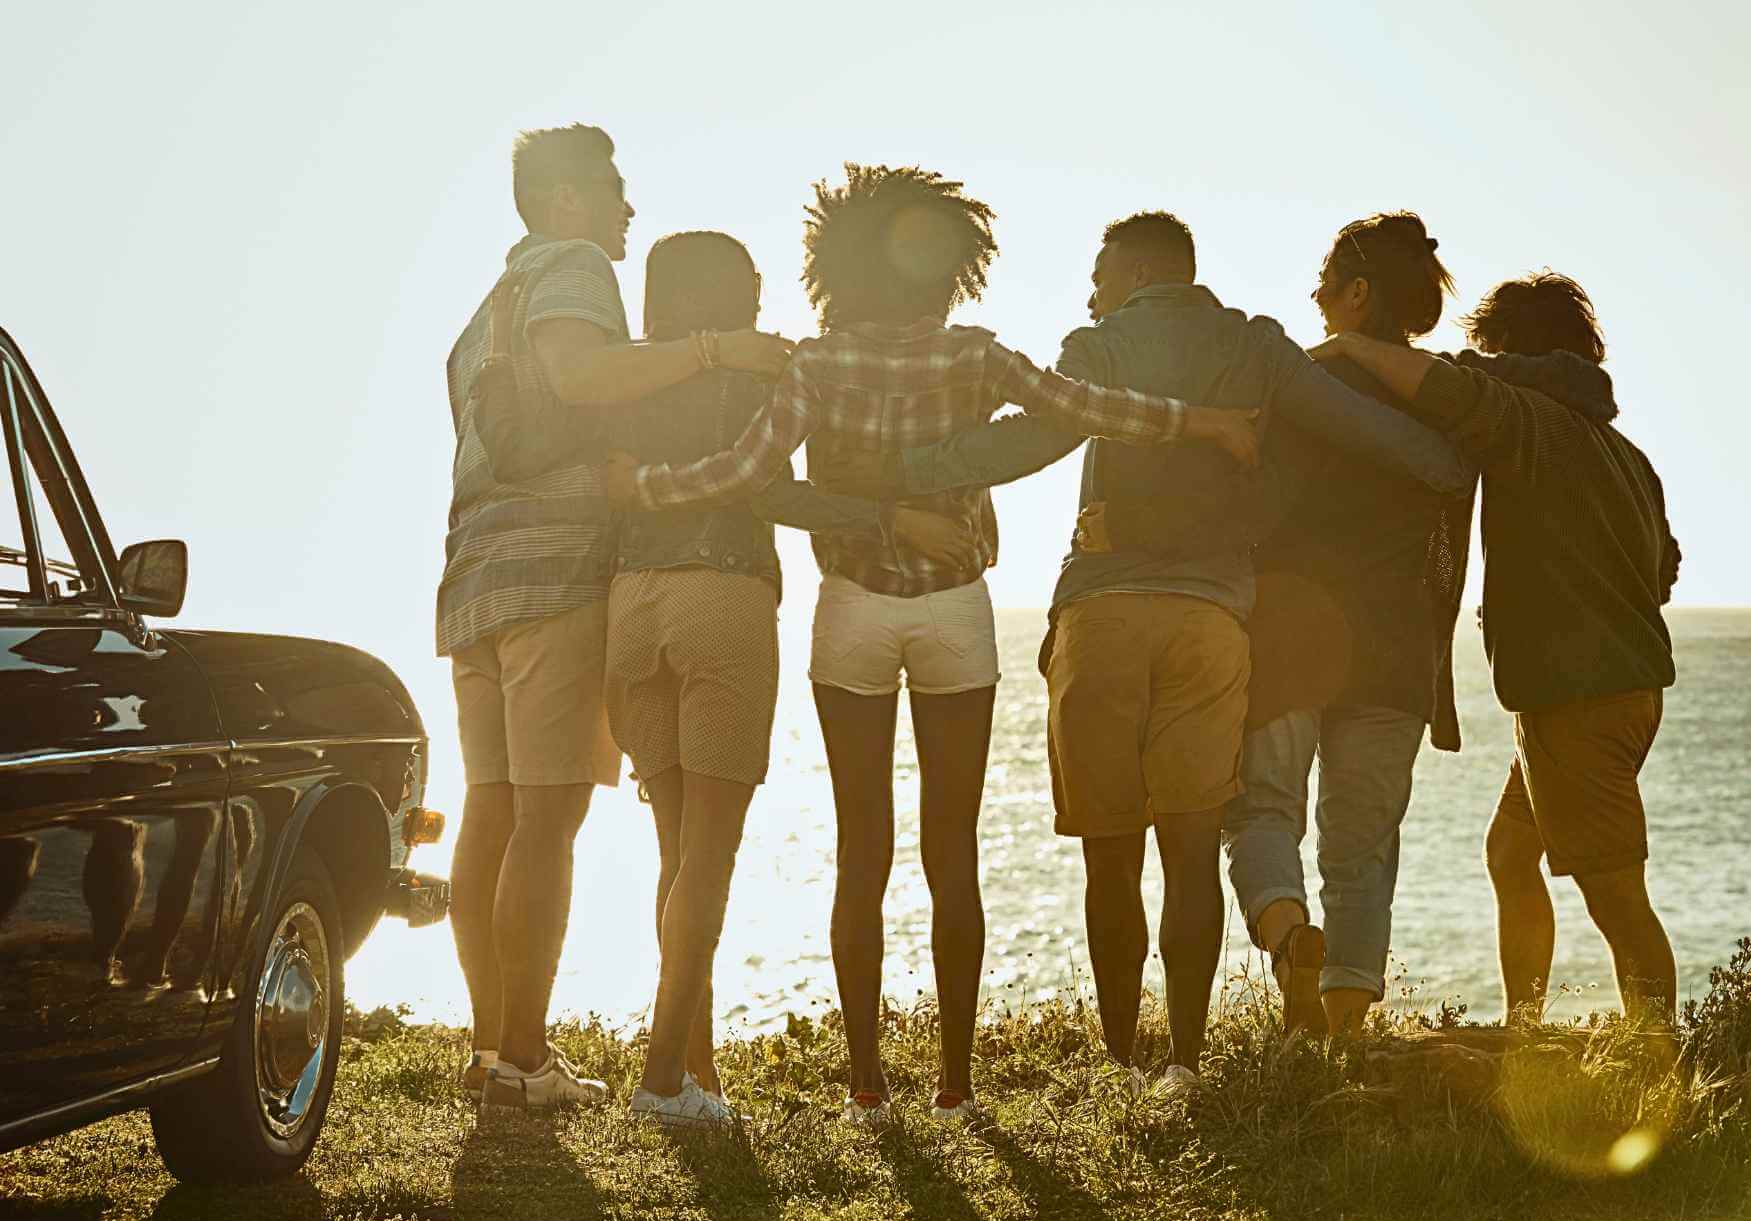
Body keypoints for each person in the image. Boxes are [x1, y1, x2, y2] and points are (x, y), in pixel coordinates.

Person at [605, 167, 1260, 1126]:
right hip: (955, 609)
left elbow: (745, 477)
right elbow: (1088, 410)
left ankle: (866, 1084)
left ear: (837, 272)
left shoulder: (815, 366)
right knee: (952, 851)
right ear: (951, 266)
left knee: (859, 850)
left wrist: (644, 486)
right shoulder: (975, 356)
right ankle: (956, 1085)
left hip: (853, 610)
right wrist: (1202, 422)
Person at [818, 211, 1476, 1090]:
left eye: (1099, 275)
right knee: (1194, 845)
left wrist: (908, 471)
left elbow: (1036, 437)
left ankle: (1123, 1058)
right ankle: (1187, 1064)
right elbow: (1388, 441)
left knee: (1110, 849)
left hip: (1103, 607)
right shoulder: (1261, 348)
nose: (1090, 292)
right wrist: (1446, 459)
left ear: (1131, 275)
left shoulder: (1101, 342)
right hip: (1212, 617)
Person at [438, 124, 792, 1112]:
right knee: (548, 817)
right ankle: (522, 1061)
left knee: (494, 809)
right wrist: (719, 349)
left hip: (473, 577)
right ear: (564, 201)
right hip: (556, 572)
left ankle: (495, 1051)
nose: (627, 209)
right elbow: (582, 380)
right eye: (612, 190)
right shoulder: (575, 269)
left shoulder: (479, 316)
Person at [604, 230, 975, 1129]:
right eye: (754, 286)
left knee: (672, 852)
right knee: (710, 857)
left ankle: (701, 1080)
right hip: (720, 601)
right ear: (730, 295)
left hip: (631, 607)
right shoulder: (766, 378)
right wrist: (889, 518)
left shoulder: (624, 382)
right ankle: (660, 1081)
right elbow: (777, 493)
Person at [1309, 271, 1683, 1024]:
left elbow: (1445, 388)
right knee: (1511, 855)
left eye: (1489, 349)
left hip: (1577, 697)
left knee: (1616, 898)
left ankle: (1659, 1060)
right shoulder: (1623, 453)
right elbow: (1664, 570)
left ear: (1513, 351)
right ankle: (1526, 1027)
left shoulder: (1527, 420)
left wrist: (1347, 345)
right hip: (1609, 692)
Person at [1218, 212, 1475, 1036]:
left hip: (1293, 631)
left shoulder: (1292, 386)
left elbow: (1249, 506)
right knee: (1362, 850)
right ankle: (1342, 1035)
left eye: (1326, 283)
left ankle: (1292, 943)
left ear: (1358, 294)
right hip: (1395, 645)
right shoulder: (1444, 399)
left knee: (1263, 810)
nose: (1315, 296)